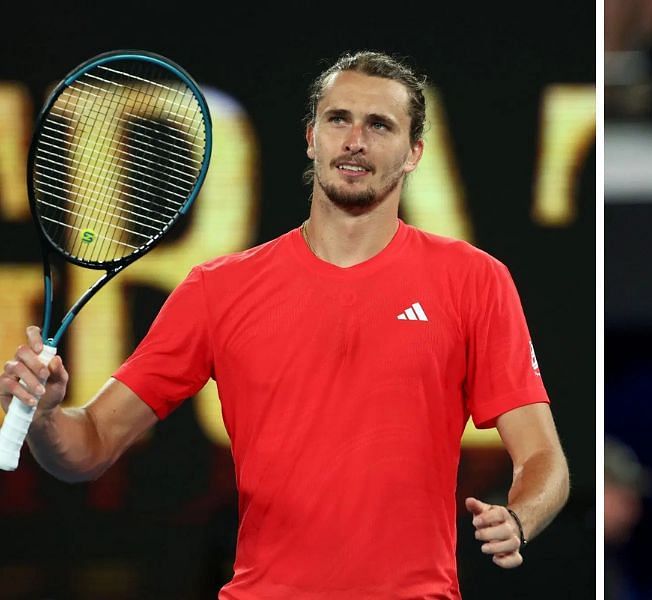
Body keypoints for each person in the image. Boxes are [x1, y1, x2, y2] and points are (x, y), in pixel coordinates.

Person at [0, 51, 569, 599]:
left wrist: (520, 517)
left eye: (380, 125)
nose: (355, 140)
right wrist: (47, 416)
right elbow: (89, 447)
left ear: (414, 152)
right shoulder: (218, 290)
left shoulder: (475, 281)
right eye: (338, 119)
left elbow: (544, 460)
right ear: (311, 137)